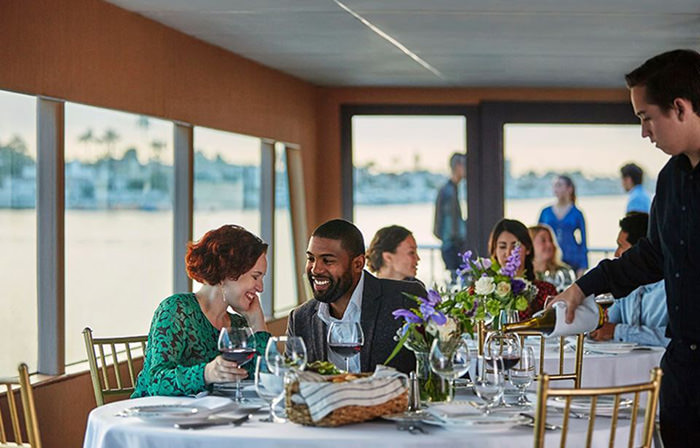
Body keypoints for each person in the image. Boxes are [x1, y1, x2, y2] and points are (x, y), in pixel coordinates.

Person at [550, 49, 700, 447]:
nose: (644, 132)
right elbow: (652, 255)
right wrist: (583, 287)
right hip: (684, 374)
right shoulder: (670, 180)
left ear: (681, 108)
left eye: (646, 117)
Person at [132, 225, 270, 397]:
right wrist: (206, 373)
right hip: (156, 417)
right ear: (226, 271)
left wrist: (258, 322)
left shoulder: (238, 325)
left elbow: (264, 381)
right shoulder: (177, 310)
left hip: (210, 418)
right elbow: (156, 382)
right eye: (255, 277)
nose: (261, 288)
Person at [287, 219, 427, 374]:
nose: (316, 269)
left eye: (327, 261)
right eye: (311, 259)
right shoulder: (300, 319)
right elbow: (290, 380)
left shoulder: (404, 299)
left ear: (358, 264)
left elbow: (434, 365)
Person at [589, 213, 669, 347]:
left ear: (640, 251)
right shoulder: (627, 284)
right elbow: (607, 326)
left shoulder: (672, 287)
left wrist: (617, 331)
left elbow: (672, 338)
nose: (616, 254)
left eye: (621, 246)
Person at [489, 219, 557, 320]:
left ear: (528, 249)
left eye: (515, 246)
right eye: (502, 247)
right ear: (494, 251)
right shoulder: (487, 291)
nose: (508, 253)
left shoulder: (545, 291)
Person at [538, 175, 588, 277]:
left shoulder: (577, 213)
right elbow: (536, 237)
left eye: (559, 185)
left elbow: (583, 242)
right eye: (555, 185)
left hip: (572, 260)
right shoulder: (545, 212)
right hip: (549, 260)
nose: (556, 189)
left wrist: (582, 267)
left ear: (569, 189)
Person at [433, 152, 467, 281]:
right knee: (456, 284)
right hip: (452, 247)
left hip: (454, 246)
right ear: (458, 166)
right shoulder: (447, 191)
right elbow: (442, 222)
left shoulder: (455, 189)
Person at [528, 224, 576, 293]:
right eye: (543, 240)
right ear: (530, 245)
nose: (549, 245)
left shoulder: (564, 273)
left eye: (551, 240)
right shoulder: (523, 275)